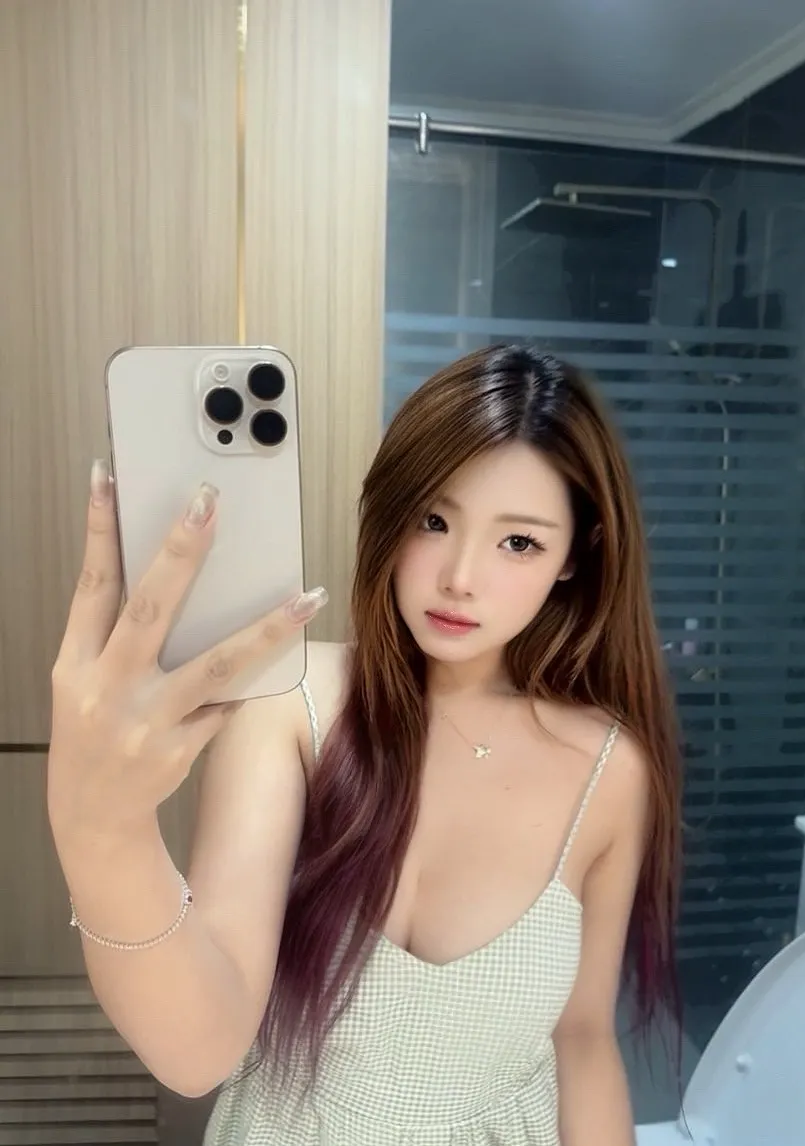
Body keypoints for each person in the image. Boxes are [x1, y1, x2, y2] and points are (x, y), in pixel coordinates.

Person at [48, 344, 682, 1146]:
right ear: (390, 511)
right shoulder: (293, 705)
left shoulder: (609, 770)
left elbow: (583, 1039)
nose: (459, 576)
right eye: (434, 520)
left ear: (573, 558)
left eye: (518, 542)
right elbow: (198, 1050)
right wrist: (102, 831)